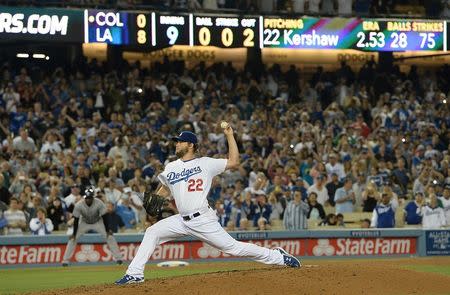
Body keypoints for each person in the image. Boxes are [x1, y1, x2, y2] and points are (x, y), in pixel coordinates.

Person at [115, 127, 300, 285]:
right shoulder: (171, 167)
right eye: (176, 141)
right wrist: (155, 198)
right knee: (152, 232)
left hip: (203, 219)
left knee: (233, 248)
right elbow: (164, 188)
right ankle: (135, 273)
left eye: (180, 142)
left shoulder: (206, 163)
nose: (176, 144)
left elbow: (234, 162)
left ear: (191, 145)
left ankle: (278, 257)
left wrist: (229, 135)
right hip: (181, 220)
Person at [62, 186, 123, 266]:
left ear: (93, 197)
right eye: (87, 198)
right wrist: (74, 234)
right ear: (84, 197)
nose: (88, 199)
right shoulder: (79, 205)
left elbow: (105, 217)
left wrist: (108, 230)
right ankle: (65, 261)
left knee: (110, 236)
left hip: (97, 222)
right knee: (72, 239)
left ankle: (118, 259)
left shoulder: (99, 203)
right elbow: (76, 220)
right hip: (84, 222)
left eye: (90, 198)